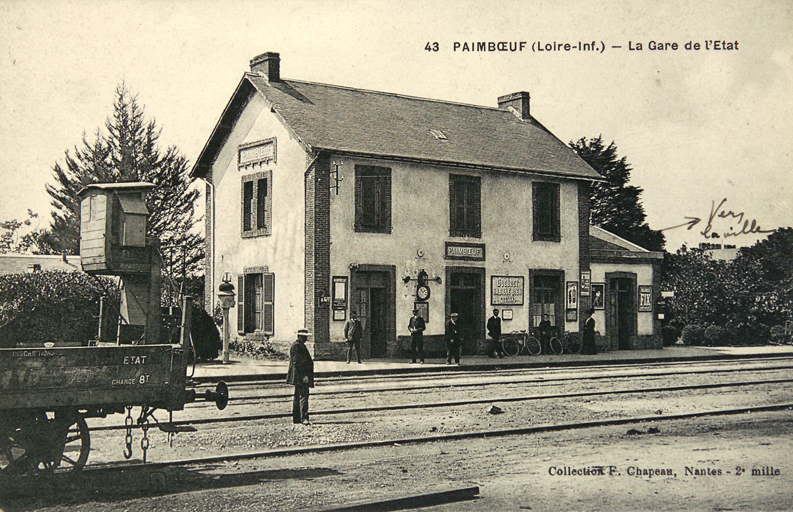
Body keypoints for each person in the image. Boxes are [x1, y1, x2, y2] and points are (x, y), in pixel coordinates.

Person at [286, 328, 314, 425]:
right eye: (305, 337)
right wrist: (304, 376)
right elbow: (298, 363)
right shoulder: (297, 346)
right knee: (303, 397)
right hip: (301, 376)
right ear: (300, 337)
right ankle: (303, 418)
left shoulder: (298, 345)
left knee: (298, 397)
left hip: (299, 376)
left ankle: (297, 418)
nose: (306, 339)